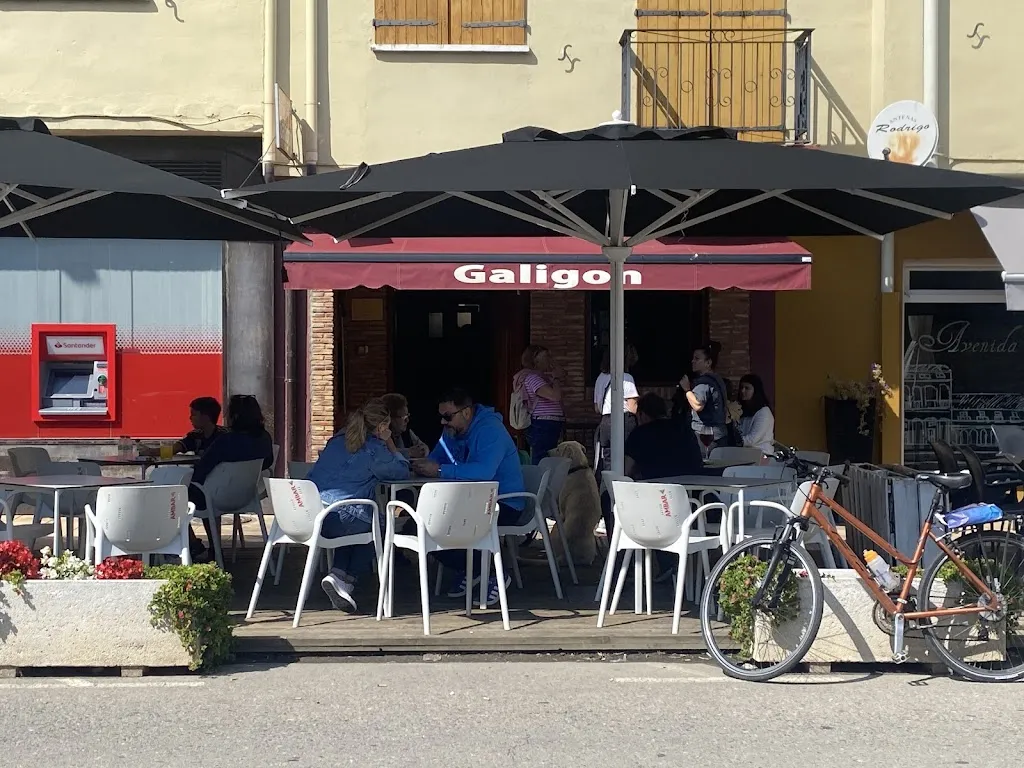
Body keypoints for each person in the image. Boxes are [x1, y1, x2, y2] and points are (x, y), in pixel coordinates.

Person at [410, 388, 527, 605]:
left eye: (447, 416)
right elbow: (437, 457)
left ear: (466, 412)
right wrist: (421, 464)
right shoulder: (452, 430)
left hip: (503, 503)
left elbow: (483, 472)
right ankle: (474, 569)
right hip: (470, 501)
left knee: (434, 529)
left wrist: (439, 470)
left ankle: (492, 572)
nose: (443, 422)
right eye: (441, 416)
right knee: (417, 527)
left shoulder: (490, 430)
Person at [309, 398, 411, 613]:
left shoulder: (335, 441)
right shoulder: (375, 449)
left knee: (360, 524)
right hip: (339, 518)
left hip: (310, 514)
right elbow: (401, 471)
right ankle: (347, 579)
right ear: (382, 426)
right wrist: (391, 444)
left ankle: (337, 576)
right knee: (381, 527)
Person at [188, 395, 275, 563]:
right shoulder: (264, 438)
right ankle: (214, 549)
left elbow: (202, 469)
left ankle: (194, 546)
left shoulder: (226, 441)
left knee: (175, 497)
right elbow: (268, 462)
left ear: (234, 416)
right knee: (205, 492)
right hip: (247, 495)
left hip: (216, 497)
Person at [624, 393, 704, 481]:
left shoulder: (638, 434)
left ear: (642, 414)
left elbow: (627, 470)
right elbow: (698, 463)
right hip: (691, 485)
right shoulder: (684, 430)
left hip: (654, 486)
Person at [512, 345, 566, 464]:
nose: (549, 359)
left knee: (549, 458)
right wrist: (556, 378)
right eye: (546, 356)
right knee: (542, 458)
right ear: (535, 360)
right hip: (542, 423)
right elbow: (555, 396)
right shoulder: (532, 378)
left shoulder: (542, 377)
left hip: (548, 423)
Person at [676, 341, 729, 456]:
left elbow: (698, 405)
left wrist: (687, 390)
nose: (692, 361)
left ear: (708, 362)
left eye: (697, 359)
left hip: (705, 436)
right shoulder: (718, 379)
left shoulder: (704, 382)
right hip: (719, 434)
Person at [593, 344, 640, 474]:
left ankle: (609, 485)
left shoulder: (600, 378)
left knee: (608, 461)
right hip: (624, 421)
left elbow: (597, 408)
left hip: (605, 422)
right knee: (627, 459)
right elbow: (633, 408)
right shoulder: (626, 378)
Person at [139, 396, 225, 457]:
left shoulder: (225, 436)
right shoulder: (194, 436)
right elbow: (173, 450)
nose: (190, 418)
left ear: (206, 417)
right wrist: (148, 451)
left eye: (194, 414)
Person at [381, 392, 429, 459]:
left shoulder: (406, 431)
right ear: (390, 418)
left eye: (407, 415)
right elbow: (383, 453)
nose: (407, 420)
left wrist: (423, 450)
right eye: (403, 417)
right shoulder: (380, 434)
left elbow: (424, 447)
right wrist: (409, 452)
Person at [736, 373, 776, 454]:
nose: (742, 391)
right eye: (741, 387)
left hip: (761, 454)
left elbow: (752, 439)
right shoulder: (742, 410)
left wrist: (733, 441)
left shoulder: (764, 412)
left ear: (755, 391)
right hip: (744, 454)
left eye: (747, 388)